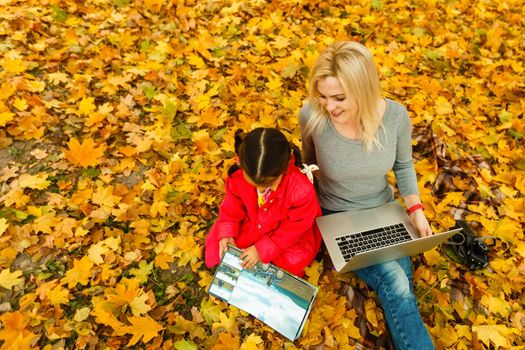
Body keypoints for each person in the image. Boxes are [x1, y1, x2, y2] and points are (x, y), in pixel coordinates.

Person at [298, 41, 434, 349]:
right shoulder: (312, 116)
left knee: (400, 286)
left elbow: (403, 165)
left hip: (384, 210)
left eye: (340, 98)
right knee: (397, 282)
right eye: (322, 96)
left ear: (363, 89)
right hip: (338, 218)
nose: (329, 106)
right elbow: (307, 167)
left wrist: (416, 210)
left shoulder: (396, 117)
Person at [205, 127, 322, 277]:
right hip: (253, 222)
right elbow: (231, 206)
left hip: (285, 236)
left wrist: (262, 249)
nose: (260, 188)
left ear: (284, 168)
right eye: (254, 183)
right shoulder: (239, 175)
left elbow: (295, 228)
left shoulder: (300, 191)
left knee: (293, 262)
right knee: (220, 242)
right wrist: (227, 232)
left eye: (267, 184)